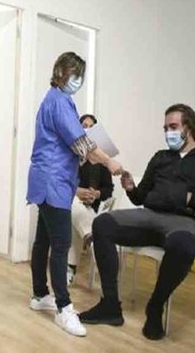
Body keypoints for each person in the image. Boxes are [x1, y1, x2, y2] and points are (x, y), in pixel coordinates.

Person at [79, 103, 195, 341]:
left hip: (186, 223)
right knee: (102, 223)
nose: (168, 133)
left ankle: (155, 306)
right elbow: (141, 197)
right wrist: (131, 188)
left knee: (182, 244)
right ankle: (110, 305)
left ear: (189, 128)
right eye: (165, 128)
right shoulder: (160, 158)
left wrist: (191, 199)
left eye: (173, 127)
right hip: (150, 218)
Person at [27, 52, 123, 337]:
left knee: (43, 240)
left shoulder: (59, 100)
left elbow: (73, 144)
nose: (77, 80)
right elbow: (81, 144)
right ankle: (63, 308)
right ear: (59, 71)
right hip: (53, 181)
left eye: (80, 75)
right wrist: (109, 162)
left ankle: (39, 294)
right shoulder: (58, 101)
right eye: (74, 73)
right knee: (60, 245)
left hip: (51, 180)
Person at [66, 114, 114, 285]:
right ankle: (93, 237)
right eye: (84, 126)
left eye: (91, 127)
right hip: (72, 202)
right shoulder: (71, 156)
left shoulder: (101, 159)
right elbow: (63, 182)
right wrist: (77, 191)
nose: (87, 129)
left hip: (92, 207)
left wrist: (96, 194)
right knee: (73, 205)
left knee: (73, 215)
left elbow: (108, 189)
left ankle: (70, 268)